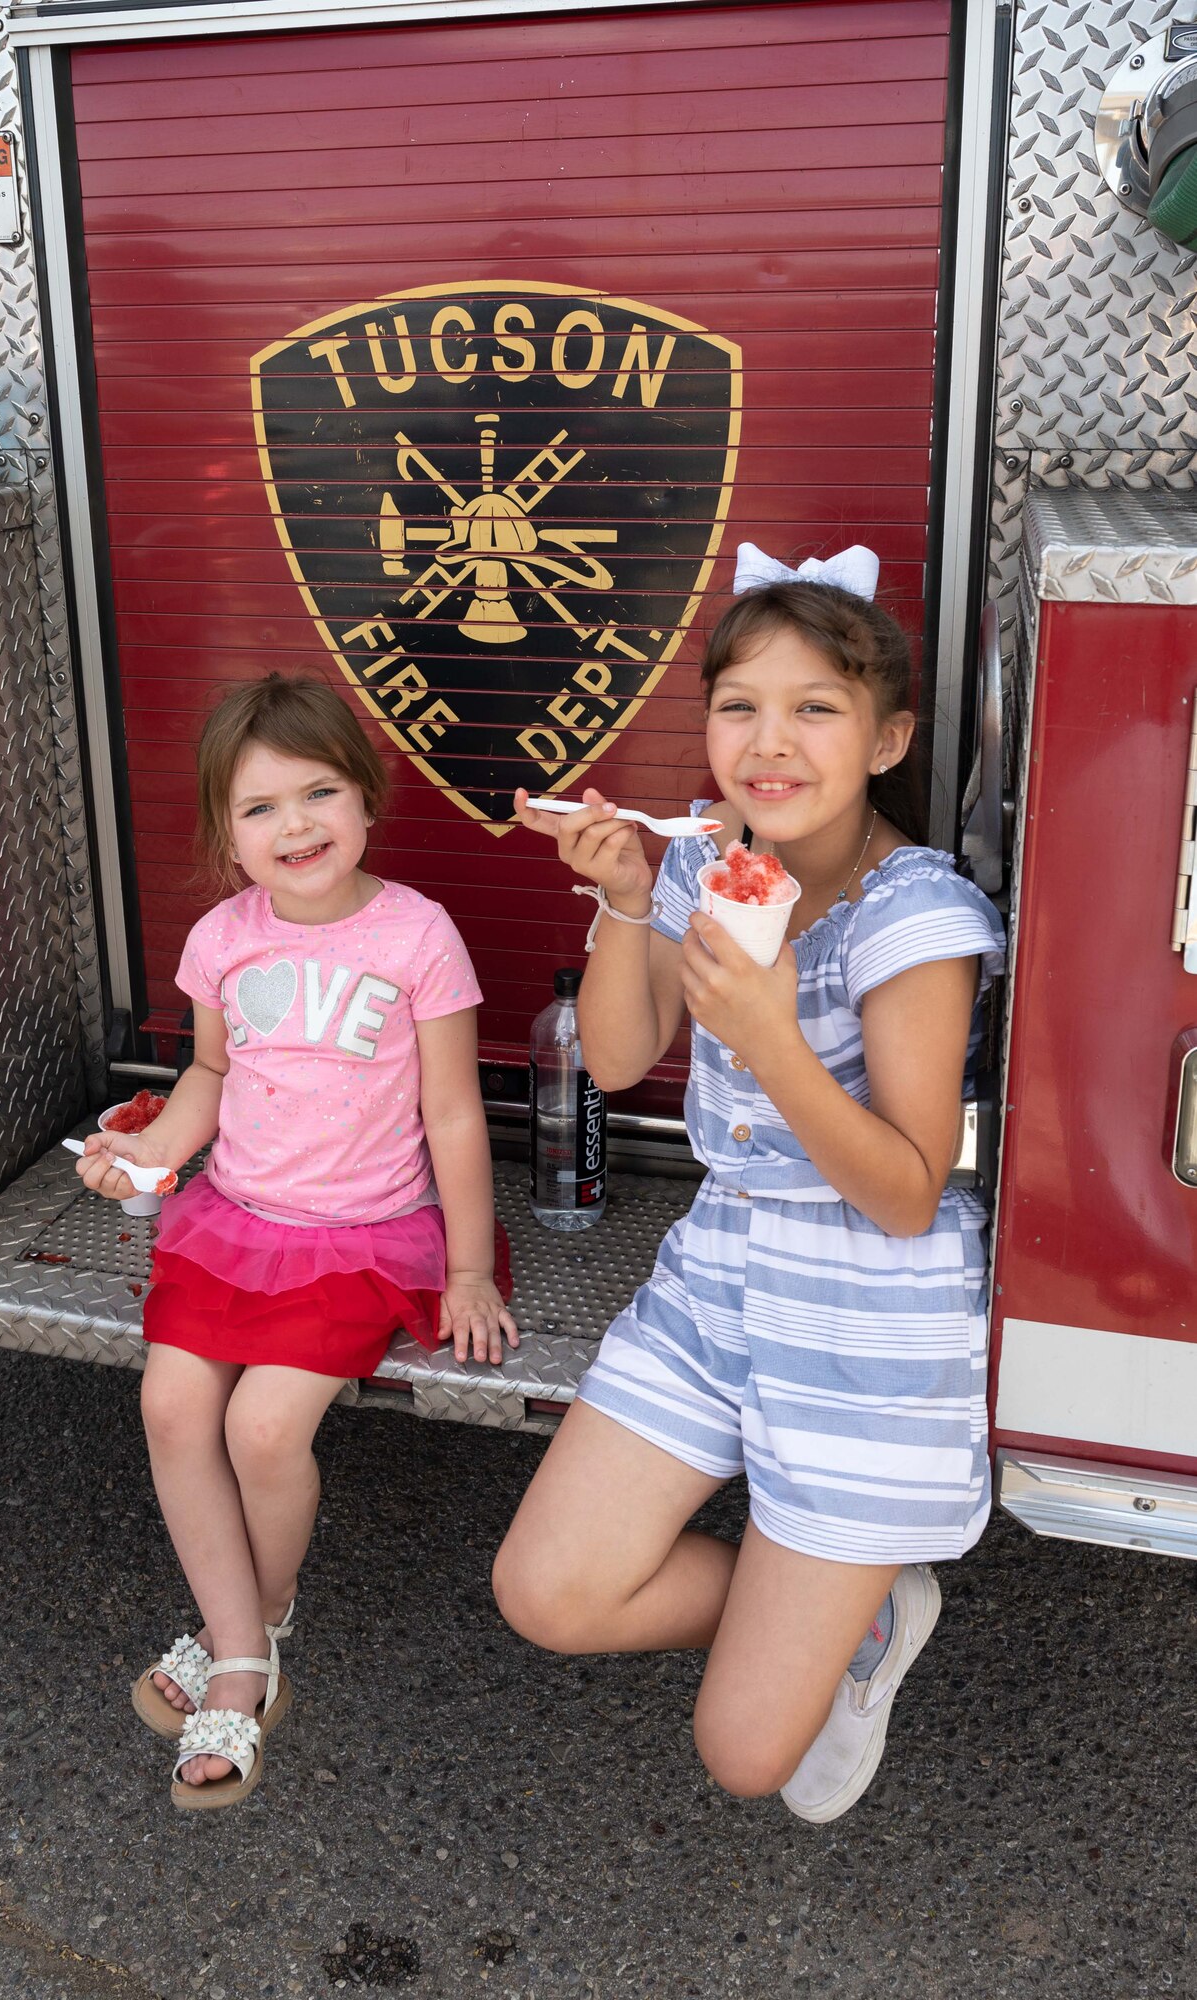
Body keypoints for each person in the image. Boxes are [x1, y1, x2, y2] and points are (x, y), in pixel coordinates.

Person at [494, 543, 1004, 1823]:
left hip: (869, 1307)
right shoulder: (706, 862)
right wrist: (623, 899)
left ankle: (833, 1605)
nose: (767, 742)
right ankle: (848, 1598)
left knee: (742, 1753)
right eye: (737, 706)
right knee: (545, 1593)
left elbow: (902, 1189)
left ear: (886, 738)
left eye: (813, 708)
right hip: (723, 1261)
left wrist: (771, 1037)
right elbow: (614, 1059)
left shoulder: (913, 916)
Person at [77, 673, 516, 1810]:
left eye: (319, 792)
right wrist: (145, 1160)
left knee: (265, 1427)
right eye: (260, 807)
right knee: (173, 1406)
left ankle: (239, 1642)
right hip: (237, 1222)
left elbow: (452, 1112)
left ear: (367, 798)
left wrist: (467, 1265)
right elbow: (210, 1077)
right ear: (226, 831)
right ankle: (246, 1637)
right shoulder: (223, 935)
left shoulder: (416, 933)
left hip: (366, 1238)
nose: (296, 826)